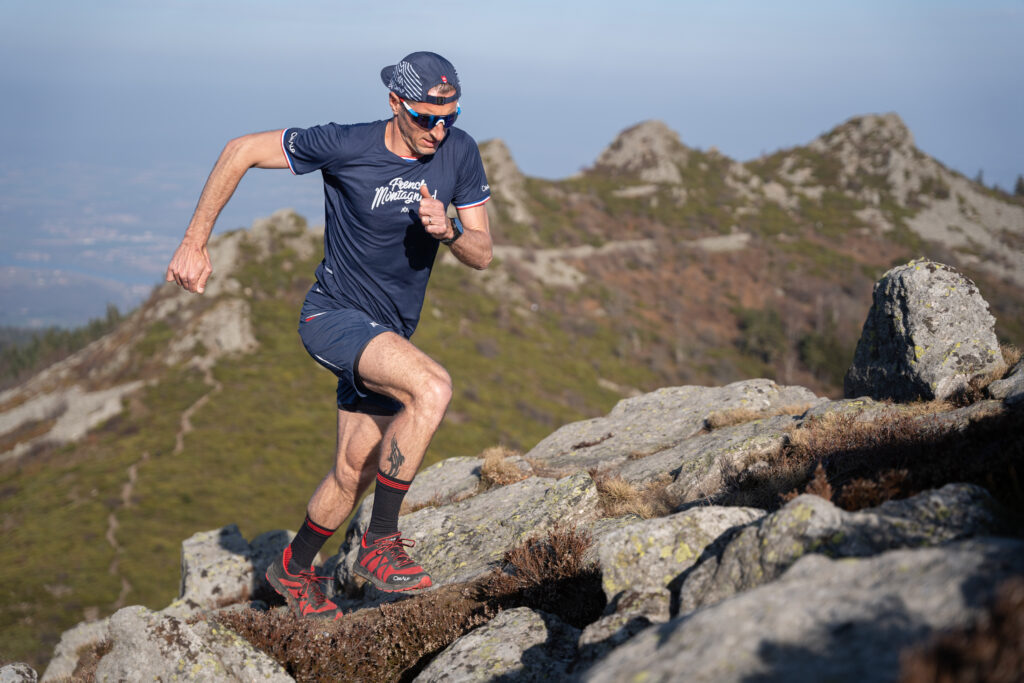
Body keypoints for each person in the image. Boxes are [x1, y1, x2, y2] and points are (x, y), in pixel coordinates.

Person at [165, 51, 492, 620]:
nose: (438, 131)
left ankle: (292, 568)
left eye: (450, 117)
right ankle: (379, 543)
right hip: (332, 316)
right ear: (395, 104)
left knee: (355, 469)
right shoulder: (345, 144)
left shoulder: (458, 152)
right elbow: (239, 151)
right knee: (432, 388)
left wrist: (450, 229)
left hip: (386, 331)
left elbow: (483, 253)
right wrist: (195, 242)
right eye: (425, 118)